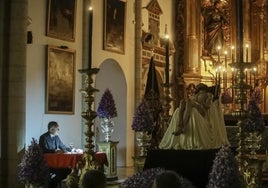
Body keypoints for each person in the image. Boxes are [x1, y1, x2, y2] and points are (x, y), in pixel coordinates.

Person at [159, 83, 229, 150]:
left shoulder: (208, 94)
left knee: (189, 102)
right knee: (182, 102)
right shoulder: (195, 94)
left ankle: (183, 126)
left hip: (202, 110)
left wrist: (200, 104)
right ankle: (180, 124)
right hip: (193, 106)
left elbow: (208, 106)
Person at [39, 121, 71, 188]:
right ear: (52, 129)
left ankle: (54, 184)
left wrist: (72, 150)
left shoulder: (56, 137)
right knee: (58, 174)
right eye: (57, 128)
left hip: (56, 163)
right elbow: (43, 150)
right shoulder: (43, 137)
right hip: (48, 164)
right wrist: (54, 151)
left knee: (68, 170)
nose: (58, 130)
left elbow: (63, 146)